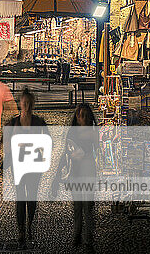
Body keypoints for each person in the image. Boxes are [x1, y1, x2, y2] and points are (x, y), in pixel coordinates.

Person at [52, 103, 99, 253]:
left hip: (89, 172)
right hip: (76, 173)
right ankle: (77, 234)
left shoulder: (92, 132)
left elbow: (97, 150)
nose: (82, 118)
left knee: (88, 206)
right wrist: (57, 175)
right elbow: (65, 154)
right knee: (78, 206)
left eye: (84, 115)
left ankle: (88, 238)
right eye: (80, 115)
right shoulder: (73, 133)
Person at [5, 88, 48, 249]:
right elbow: (6, 143)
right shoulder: (13, 122)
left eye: (29, 104)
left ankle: (30, 224)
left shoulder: (39, 122)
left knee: (32, 198)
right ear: (20, 104)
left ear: (33, 104)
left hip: (34, 165)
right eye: (25, 103)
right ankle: (22, 231)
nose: (27, 106)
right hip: (18, 165)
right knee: (20, 198)